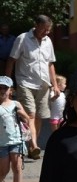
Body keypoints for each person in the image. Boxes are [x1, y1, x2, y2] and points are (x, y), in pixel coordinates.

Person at [6, 15, 60, 158]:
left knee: (40, 116)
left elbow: (50, 64)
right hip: (25, 82)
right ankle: (34, 145)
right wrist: (7, 83)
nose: (46, 33)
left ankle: (31, 145)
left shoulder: (48, 41)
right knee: (30, 114)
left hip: (43, 84)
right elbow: (11, 60)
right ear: (36, 25)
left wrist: (55, 85)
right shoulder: (22, 39)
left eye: (48, 30)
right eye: (44, 29)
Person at [0, 75, 27, 182]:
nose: (2, 90)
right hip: (1, 143)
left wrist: (21, 114)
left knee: (17, 168)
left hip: (16, 140)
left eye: (5, 88)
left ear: (11, 90)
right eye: (0, 88)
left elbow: (27, 119)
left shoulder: (15, 104)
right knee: (3, 170)